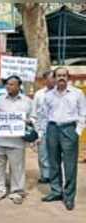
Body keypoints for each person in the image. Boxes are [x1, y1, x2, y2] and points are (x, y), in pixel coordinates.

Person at [41, 67, 86, 211]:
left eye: (64, 75)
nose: (61, 78)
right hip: (52, 129)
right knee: (53, 162)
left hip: (69, 129)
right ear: (54, 78)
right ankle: (56, 191)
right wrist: (43, 132)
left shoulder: (77, 94)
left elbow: (83, 114)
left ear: (68, 78)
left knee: (70, 165)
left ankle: (69, 197)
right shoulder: (48, 96)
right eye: (58, 75)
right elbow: (43, 115)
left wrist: (77, 132)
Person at [0, 75, 32, 205]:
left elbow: (34, 118)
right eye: (7, 84)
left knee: (17, 168)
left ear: (19, 86)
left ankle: (17, 192)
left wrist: (28, 122)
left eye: (12, 84)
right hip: (0, 140)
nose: (9, 86)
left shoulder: (27, 101)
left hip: (17, 141)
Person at [32, 70, 55, 184]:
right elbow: (34, 113)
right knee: (43, 154)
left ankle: (56, 176)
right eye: (50, 78)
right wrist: (37, 131)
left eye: (53, 78)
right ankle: (45, 176)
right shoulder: (39, 94)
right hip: (42, 129)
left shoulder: (61, 93)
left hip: (57, 129)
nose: (52, 80)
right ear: (45, 80)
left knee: (56, 154)